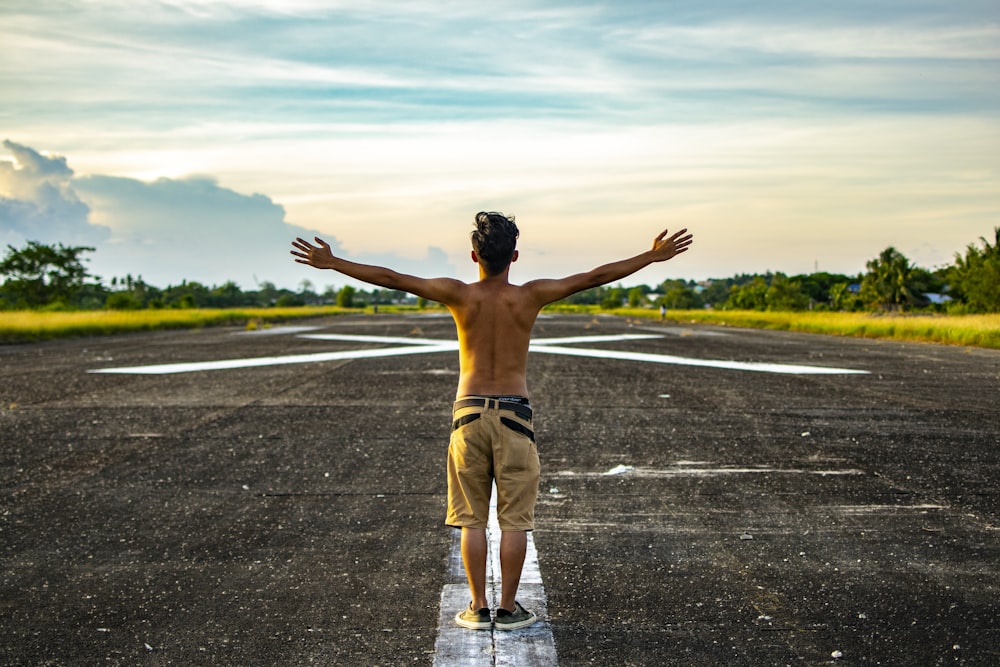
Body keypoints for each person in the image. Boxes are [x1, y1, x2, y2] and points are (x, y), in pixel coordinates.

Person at [291, 212, 693, 631]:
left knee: (471, 517)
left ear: (474, 256)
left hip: (468, 413)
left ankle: (478, 607)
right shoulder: (531, 295)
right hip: (515, 413)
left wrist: (335, 263)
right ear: (514, 256)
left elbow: (393, 278)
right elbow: (594, 277)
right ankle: (508, 607)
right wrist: (650, 257)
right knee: (514, 519)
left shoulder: (458, 294)